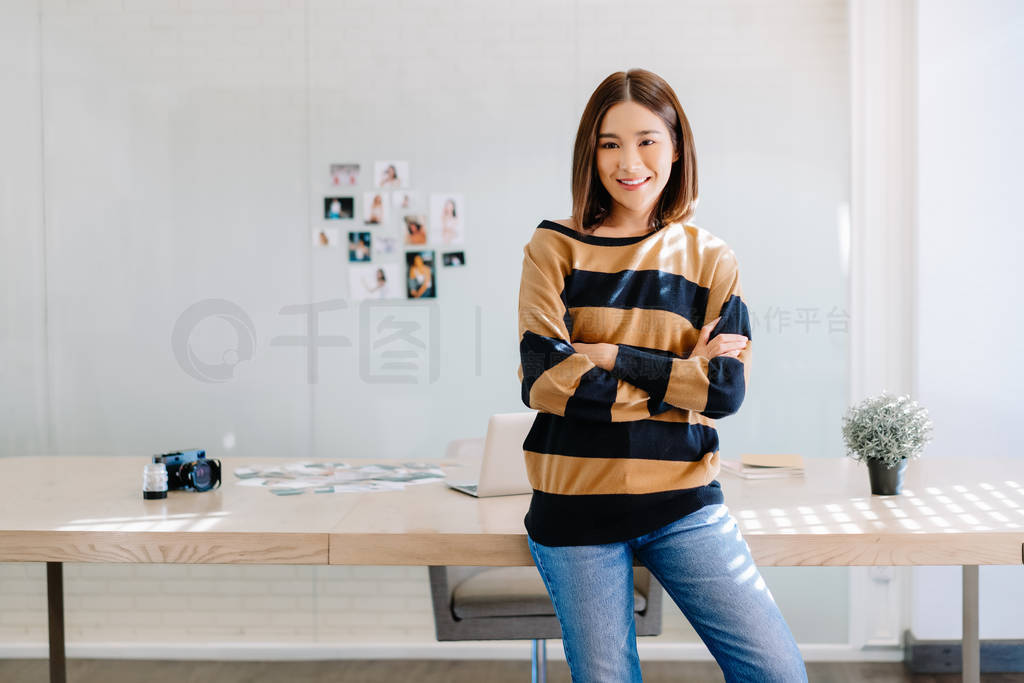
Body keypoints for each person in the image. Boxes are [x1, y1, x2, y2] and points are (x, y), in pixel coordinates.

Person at [516, 68, 807, 682]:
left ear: (677, 147)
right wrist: (679, 380)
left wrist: (611, 357)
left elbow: (724, 392)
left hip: (684, 504)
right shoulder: (554, 248)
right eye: (610, 142)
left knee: (778, 673)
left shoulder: (711, 259)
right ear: (589, 153)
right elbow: (544, 378)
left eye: (648, 140)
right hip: (575, 510)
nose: (630, 161)